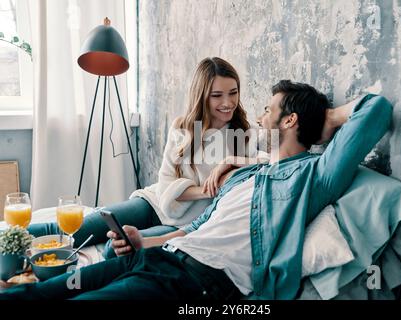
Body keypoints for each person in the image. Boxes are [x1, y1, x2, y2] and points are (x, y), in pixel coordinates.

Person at [0, 80, 393, 300]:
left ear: (290, 119)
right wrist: (142, 243)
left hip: (196, 283)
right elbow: (191, 231)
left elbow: (375, 110)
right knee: (42, 292)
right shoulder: (243, 174)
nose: (258, 116)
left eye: (269, 111)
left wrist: (326, 119)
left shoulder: (314, 176)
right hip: (158, 259)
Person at [27, 57, 268, 258]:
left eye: (233, 93)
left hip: (184, 223)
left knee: (115, 249)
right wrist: (209, 189)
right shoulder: (183, 127)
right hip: (153, 202)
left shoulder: (246, 134)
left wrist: (229, 162)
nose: (228, 103)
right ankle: (11, 241)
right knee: (74, 228)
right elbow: (165, 185)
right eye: (217, 95)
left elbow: (272, 162)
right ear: (202, 96)